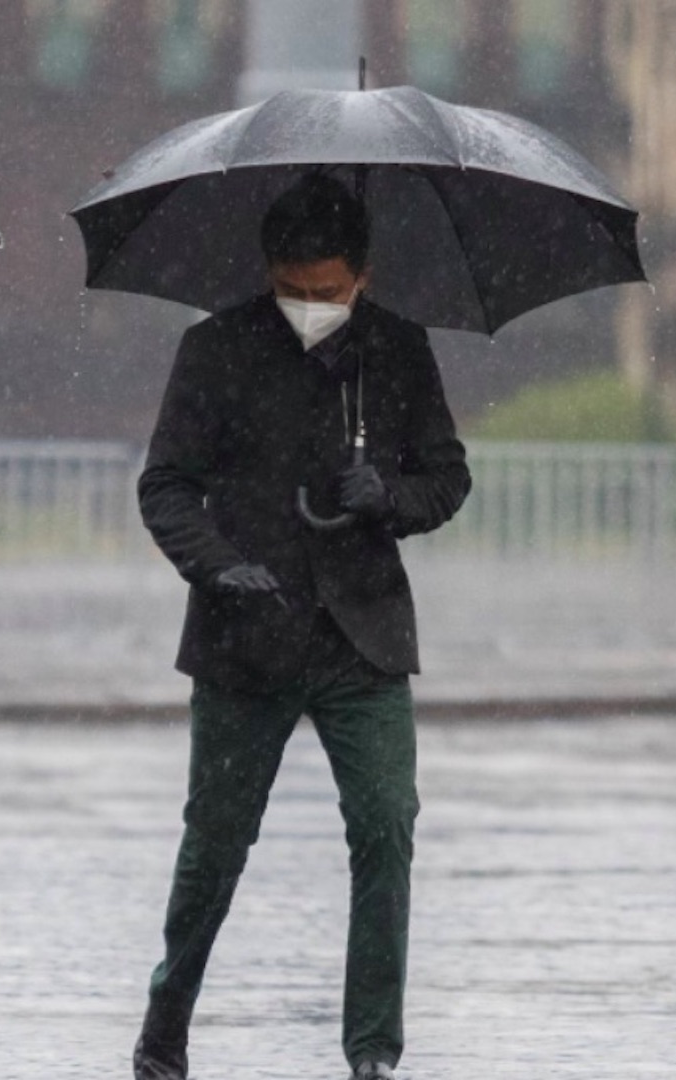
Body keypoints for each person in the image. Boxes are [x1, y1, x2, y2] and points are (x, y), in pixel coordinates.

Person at [131, 175, 471, 1080]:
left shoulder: (398, 351)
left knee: (386, 827)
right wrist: (215, 562)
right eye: (292, 289)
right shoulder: (215, 348)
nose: (309, 308)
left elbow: (448, 478)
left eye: (327, 293)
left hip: (362, 640)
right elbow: (164, 484)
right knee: (214, 843)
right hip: (245, 636)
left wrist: (390, 499)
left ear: (361, 276)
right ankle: (167, 1024)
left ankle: (372, 1050)